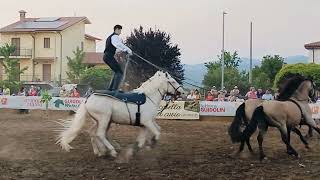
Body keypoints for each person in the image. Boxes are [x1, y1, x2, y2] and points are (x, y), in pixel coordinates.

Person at [103, 25, 133, 91]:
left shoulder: (110, 37)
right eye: (120, 30)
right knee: (119, 72)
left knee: (116, 71)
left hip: (107, 56)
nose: (120, 32)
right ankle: (114, 89)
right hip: (109, 56)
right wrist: (128, 50)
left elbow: (116, 47)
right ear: (116, 29)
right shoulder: (114, 36)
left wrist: (124, 51)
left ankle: (111, 89)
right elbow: (118, 44)